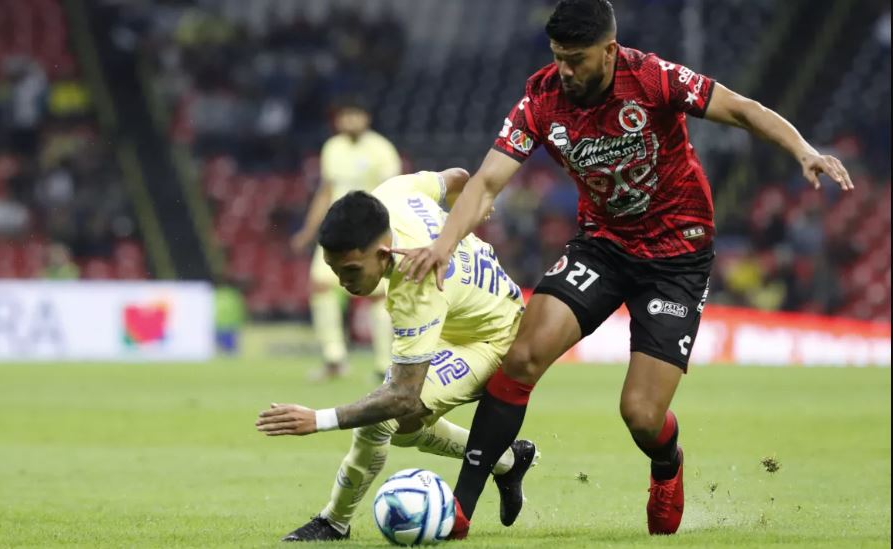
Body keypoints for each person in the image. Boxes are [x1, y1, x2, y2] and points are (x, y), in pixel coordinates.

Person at [393, 0, 854, 538]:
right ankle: (461, 509)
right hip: (603, 246)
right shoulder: (541, 98)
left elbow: (743, 108)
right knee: (521, 358)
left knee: (640, 414)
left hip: (677, 256)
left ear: (610, 51)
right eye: (559, 57)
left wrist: (802, 149)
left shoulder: (653, 78)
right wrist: (446, 243)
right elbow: (488, 181)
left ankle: (667, 464)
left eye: (578, 59)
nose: (566, 70)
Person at [257, 169, 539, 542]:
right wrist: (465, 215)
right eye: (334, 269)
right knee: (405, 428)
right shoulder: (394, 193)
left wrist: (318, 419)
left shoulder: (415, 286)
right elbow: (457, 177)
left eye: (352, 270)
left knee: (381, 419)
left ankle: (334, 522)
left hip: (494, 339)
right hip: (459, 318)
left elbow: (402, 395)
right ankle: (506, 461)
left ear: (384, 252)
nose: (344, 281)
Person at [291, 99, 402, 382]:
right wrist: (308, 230)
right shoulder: (332, 148)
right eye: (345, 116)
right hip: (335, 230)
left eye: (355, 115)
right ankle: (334, 358)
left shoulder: (382, 149)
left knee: (378, 296)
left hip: (370, 231)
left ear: (366, 117)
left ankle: (383, 365)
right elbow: (326, 192)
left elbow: (394, 191)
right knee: (320, 288)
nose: (350, 121)